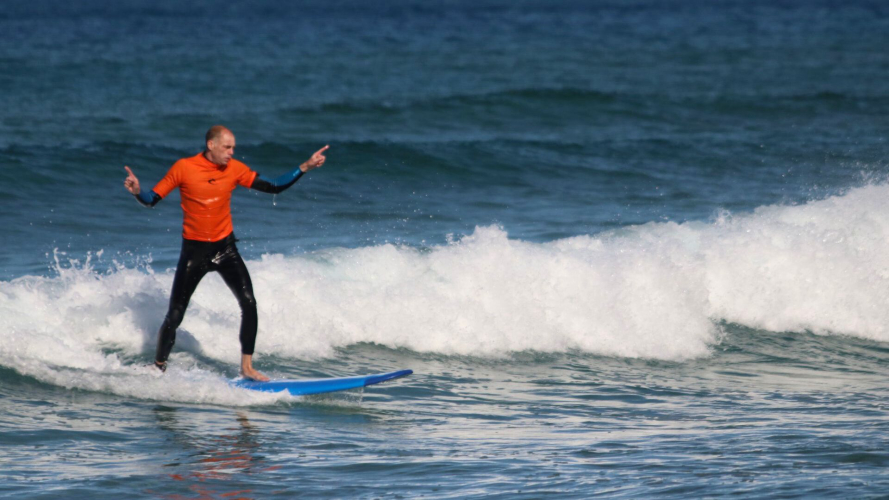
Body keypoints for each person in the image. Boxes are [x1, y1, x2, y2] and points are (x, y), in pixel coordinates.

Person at [124, 125, 328, 381]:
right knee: (175, 314)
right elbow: (152, 199)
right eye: (227, 147)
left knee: (249, 303)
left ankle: (247, 367)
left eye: (233, 148)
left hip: (225, 249)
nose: (232, 153)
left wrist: (305, 166)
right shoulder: (183, 168)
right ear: (211, 145)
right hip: (194, 251)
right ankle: (158, 366)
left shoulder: (235, 170)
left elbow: (273, 186)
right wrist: (136, 193)